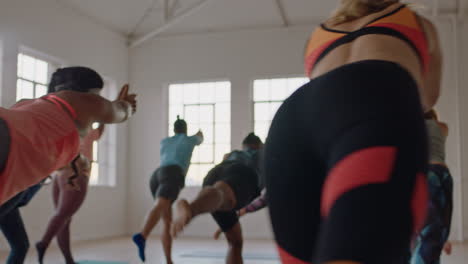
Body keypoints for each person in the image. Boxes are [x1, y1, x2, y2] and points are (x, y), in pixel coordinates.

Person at [264, 0, 442, 263]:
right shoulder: (419, 24)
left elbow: (333, 98)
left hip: (292, 121)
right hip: (376, 104)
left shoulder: (317, 34)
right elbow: (427, 99)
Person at [0, 66, 136, 206]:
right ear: (89, 92)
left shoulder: (26, 104)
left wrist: (79, 158)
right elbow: (119, 112)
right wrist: (127, 105)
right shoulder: (82, 101)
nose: (100, 99)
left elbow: (38, 143)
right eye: (98, 94)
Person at [36, 70, 109, 264]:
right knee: (63, 215)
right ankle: (43, 242)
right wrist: (104, 111)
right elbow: (103, 124)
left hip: (62, 171)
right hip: (77, 172)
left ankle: (69, 260)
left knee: (63, 218)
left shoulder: (66, 123)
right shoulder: (87, 130)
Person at [172, 133, 263, 264]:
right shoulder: (261, 153)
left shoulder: (232, 154)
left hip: (213, 174)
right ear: (258, 145)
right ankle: (191, 209)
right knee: (222, 193)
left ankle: (194, 206)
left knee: (235, 242)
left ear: (244, 146)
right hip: (242, 173)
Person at [132, 116, 203, 263]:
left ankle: (169, 260)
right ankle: (142, 235)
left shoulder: (165, 141)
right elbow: (200, 138)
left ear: (174, 129)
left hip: (157, 176)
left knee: (167, 221)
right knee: (160, 206)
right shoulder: (189, 140)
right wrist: (199, 133)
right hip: (173, 175)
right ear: (185, 129)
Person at [410, 109, 453, 264]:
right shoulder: (442, 127)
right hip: (444, 175)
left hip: (425, 173)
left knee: (418, 222)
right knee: (440, 216)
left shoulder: (413, 126)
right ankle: (442, 240)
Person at [0, 182, 43, 264]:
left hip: (9, 199)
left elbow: (23, 200)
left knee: (21, 246)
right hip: (6, 196)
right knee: (20, 246)